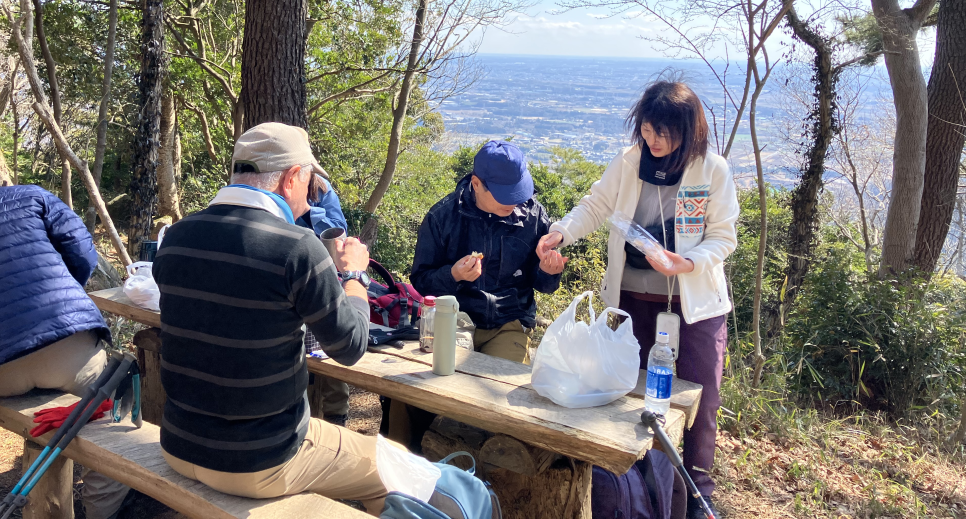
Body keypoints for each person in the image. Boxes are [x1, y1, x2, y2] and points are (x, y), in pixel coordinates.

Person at [152, 123, 390, 514]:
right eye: (310, 180)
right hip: (262, 457)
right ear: (292, 177)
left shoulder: (177, 237)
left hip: (178, 443)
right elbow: (349, 347)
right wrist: (354, 275)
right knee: (402, 475)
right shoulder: (298, 247)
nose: (311, 196)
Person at [537, 80, 739, 519]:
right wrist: (561, 231)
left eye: (663, 133)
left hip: (693, 306)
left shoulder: (711, 171)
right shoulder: (630, 163)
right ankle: (642, 488)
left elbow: (724, 237)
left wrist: (686, 264)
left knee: (700, 400)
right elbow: (596, 205)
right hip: (630, 299)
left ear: (688, 131)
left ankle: (698, 494)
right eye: (647, 130)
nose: (653, 141)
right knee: (632, 393)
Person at [0, 155, 131, 519]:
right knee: (106, 411)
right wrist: (61, 305)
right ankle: (104, 510)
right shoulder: (29, 196)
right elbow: (82, 253)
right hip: (69, 351)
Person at [410, 140, 566, 363]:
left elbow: (544, 286)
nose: (513, 201)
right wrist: (453, 275)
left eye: (517, 192)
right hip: (455, 318)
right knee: (445, 381)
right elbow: (420, 280)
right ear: (476, 183)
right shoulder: (442, 217)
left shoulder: (534, 216)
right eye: (504, 194)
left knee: (503, 385)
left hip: (509, 323)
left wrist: (549, 271)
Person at [297, 175, 354, 428]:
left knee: (331, 344)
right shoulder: (267, 189)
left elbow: (338, 231)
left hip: (325, 278)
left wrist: (308, 210)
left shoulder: (321, 188)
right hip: (290, 282)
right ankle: (305, 416)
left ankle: (336, 415)